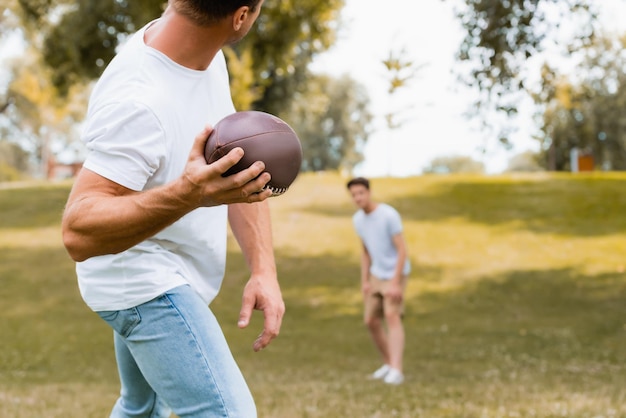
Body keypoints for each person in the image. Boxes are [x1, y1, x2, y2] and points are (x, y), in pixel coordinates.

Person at [61, 1, 285, 417]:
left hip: (173, 270)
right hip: (141, 281)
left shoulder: (206, 56)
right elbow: (78, 231)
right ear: (240, 17)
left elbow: (236, 165)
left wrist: (263, 270)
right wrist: (189, 193)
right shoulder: (138, 102)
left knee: (142, 408)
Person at [346, 177, 411, 385]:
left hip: (395, 273)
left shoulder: (388, 215)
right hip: (376, 274)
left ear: (369, 192)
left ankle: (397, 370)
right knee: (371, 321)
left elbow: (402, 251)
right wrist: (365, 280)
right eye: (354, 195)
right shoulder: (358, 220)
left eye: (361, 193)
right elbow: (366, 252)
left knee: (392, 316)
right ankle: (389, 364)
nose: (358, 198)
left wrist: (394, 282)